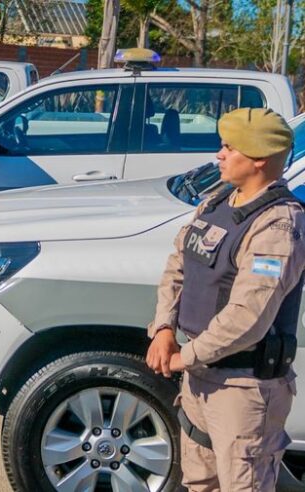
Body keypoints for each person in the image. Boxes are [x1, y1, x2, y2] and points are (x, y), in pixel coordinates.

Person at [146, 108, 304, 491]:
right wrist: (164, 328)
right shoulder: (218, 201)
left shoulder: (279, 224)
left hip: (244, 388)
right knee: (199, 483)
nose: (219, 155)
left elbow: (248, 317)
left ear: (259, 159)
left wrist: (187, 357)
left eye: (229, 147)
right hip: (201, 379)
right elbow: (178, 264)